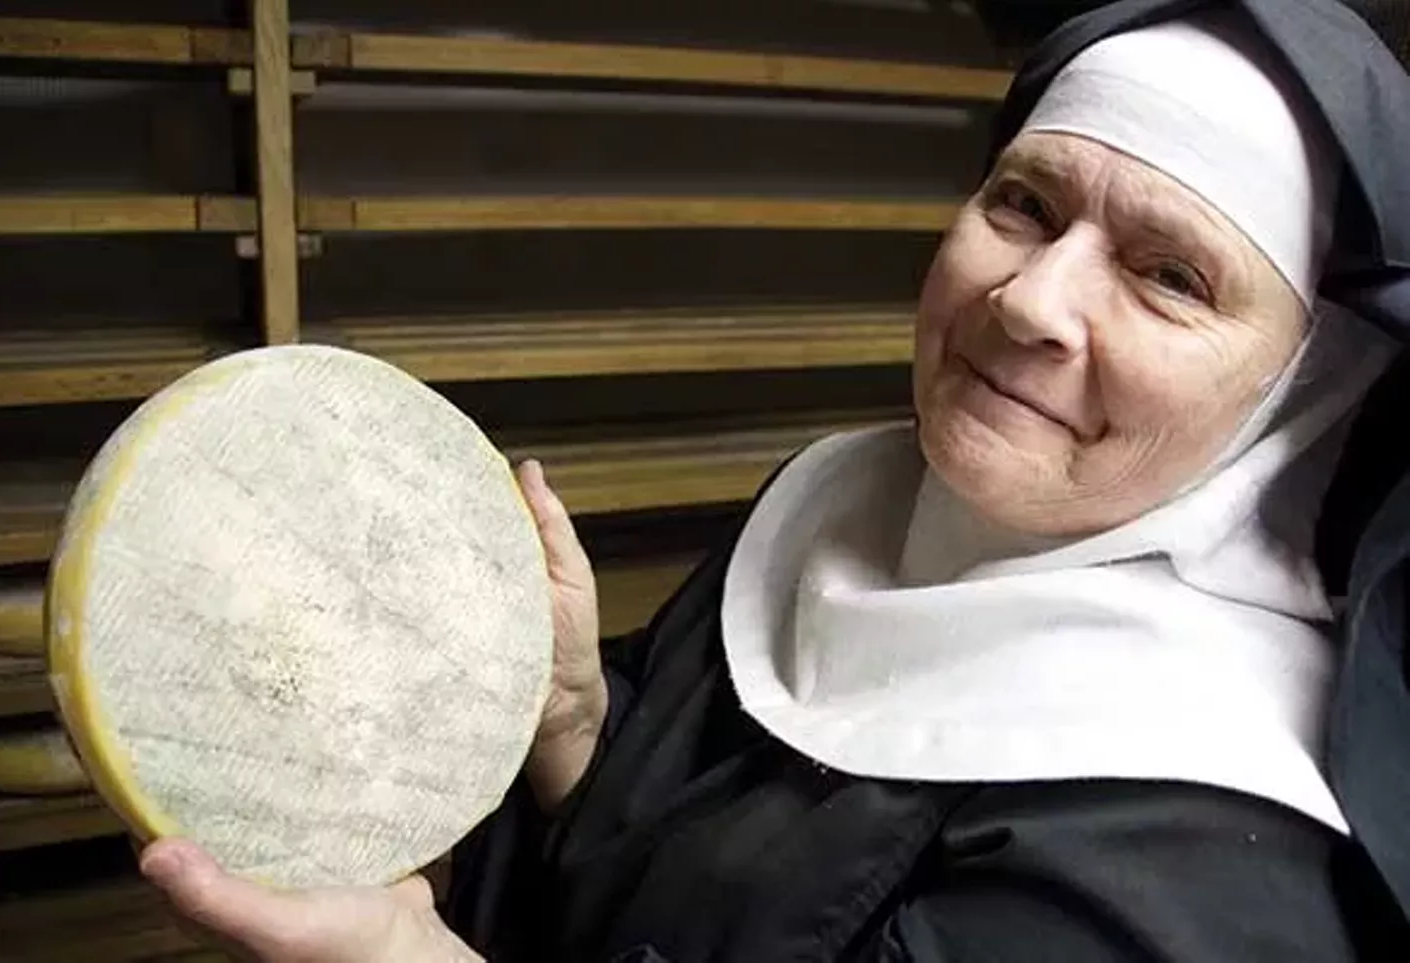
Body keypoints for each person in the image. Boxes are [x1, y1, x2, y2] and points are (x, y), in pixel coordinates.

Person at [137, 0, 1410, 959]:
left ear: (1304, 395)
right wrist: (577, 726)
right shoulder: (846, 508)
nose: (1030, 301)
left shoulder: (1201, 874)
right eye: (1023, 203)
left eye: (1169, 277)